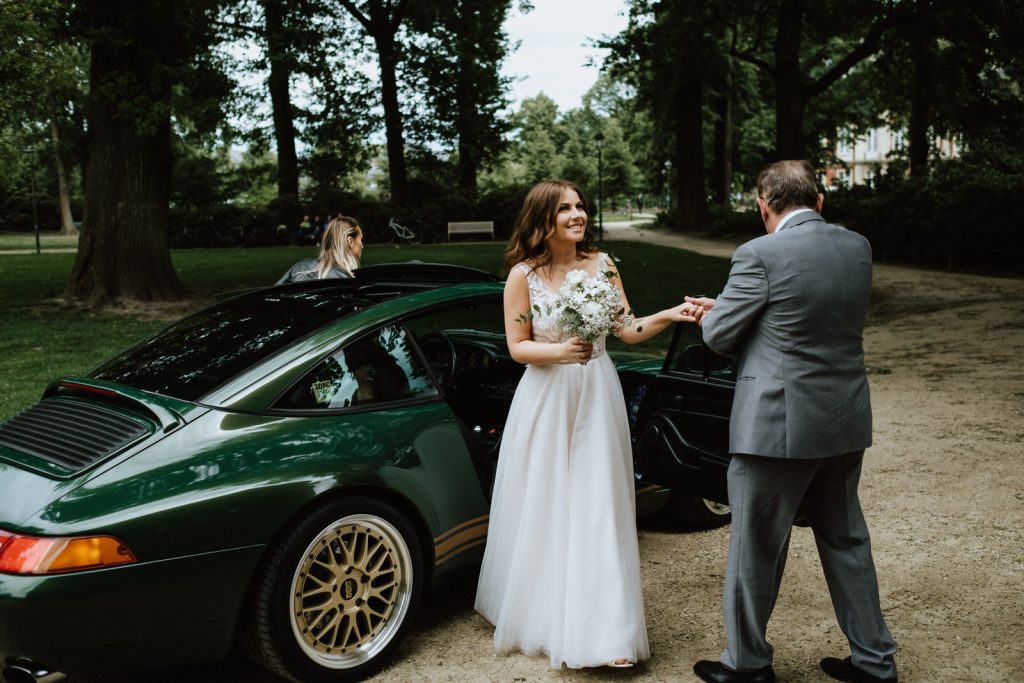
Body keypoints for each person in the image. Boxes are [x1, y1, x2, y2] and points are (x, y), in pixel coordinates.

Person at [685, 160, 897, 683]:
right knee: (847, 541)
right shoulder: (857, 246)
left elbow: (719, 336)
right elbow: (807, 314)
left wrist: (715, 313)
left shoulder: (758, 253)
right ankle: (874, 662)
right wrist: (733, 305)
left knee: (755, 548)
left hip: (777, 427)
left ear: (764, 206)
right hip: (843, 419)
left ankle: (747, 665)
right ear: (819, 201)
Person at [474, 179, 696, 670]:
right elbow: (518, 347)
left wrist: (671, 314)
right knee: (549, 502)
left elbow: (627, 329)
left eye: (580, 206)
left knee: (600, 503)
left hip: (597, 392)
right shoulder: (522, 277)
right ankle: (545, 617)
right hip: (548, 398)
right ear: (543, 219)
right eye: (565, 209)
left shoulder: (603, 265)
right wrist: (561, 351)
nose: (577, 215)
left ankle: (607, 633)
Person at [276, 216, 364, 284]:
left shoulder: (299, 268)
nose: (362, 246)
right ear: (350, 241)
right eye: (361, 240)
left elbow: (271, 294)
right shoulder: (352, 281)